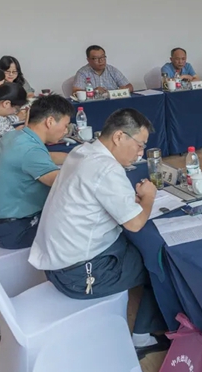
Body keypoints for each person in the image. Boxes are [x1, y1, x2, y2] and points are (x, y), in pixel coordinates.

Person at [29, 109, 168, 359]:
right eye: (140, 145)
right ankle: (142, 337)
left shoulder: (82, 152)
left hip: (56, 261)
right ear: (118, 137)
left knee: (139, 247)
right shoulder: (106, 168)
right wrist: (148, 197)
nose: (140, 153)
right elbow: (135, 223)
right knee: (158, 261)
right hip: (79, 274)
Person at [0, 95, 73, 249]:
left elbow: (43, 157)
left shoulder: (15, 136)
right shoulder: (31, 150)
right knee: (84, 226)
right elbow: (63, 182)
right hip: (17, 230)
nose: (65, 131)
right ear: (50, 121)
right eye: (65, 125)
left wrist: (74, 157)